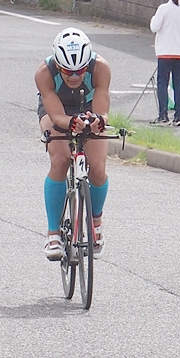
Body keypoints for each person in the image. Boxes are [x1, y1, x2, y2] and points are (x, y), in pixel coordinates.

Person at [35, 28, 112, 261]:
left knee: (97, 167)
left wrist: (98, 121)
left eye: (80, 71)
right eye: (68, 71)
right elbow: (57, 117)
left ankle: (96, 223)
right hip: (57, 109)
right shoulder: (44, 73)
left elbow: (101, 110)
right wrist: (70, 123)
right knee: (59, 159)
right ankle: (53, 234)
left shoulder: (100, 68)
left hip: (87, 106)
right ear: (58, 65)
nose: (75, 76)